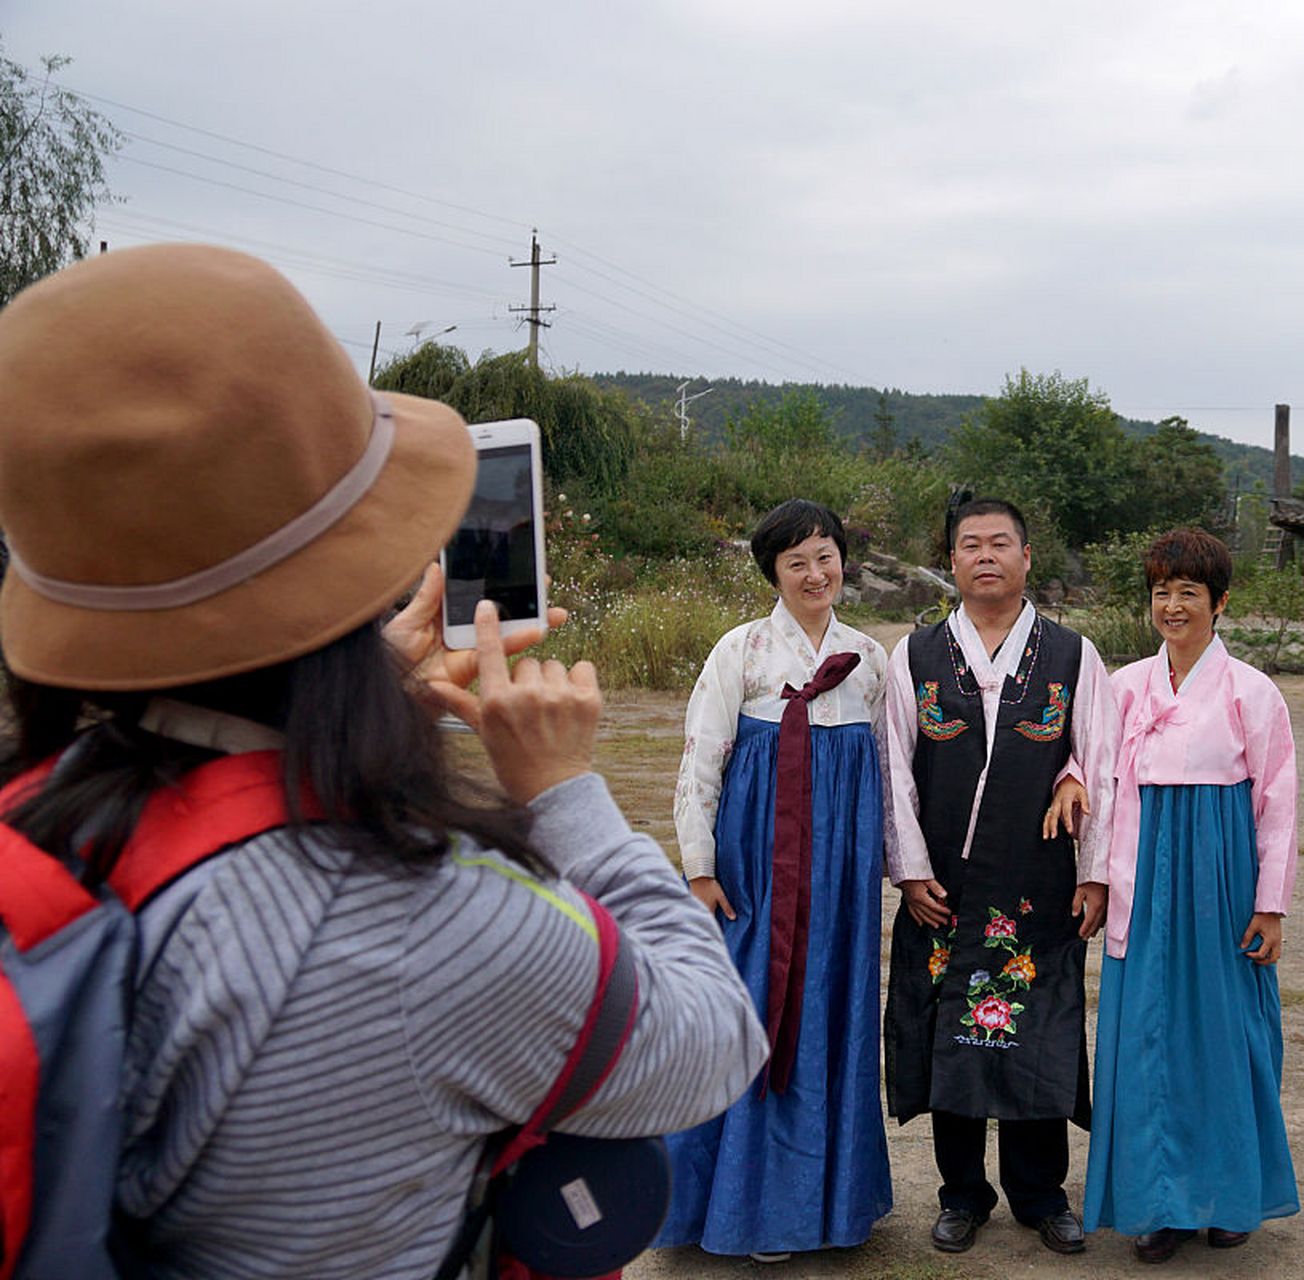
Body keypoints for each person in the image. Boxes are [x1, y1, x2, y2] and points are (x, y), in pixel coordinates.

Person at [0, 245, 766, 1279]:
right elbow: (712, 1040)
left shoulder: (43, 813)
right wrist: (567, 792)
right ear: (366, 558)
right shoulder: (418, 917)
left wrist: (357, 698)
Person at [881, 497, 1117, 1257]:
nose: (986, 555)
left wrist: (1097, 876)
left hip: (1038, 885)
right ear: (951, 562)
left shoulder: (1072, 655)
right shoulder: (913, 656)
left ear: (1025, 558)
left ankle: (1043, 1195)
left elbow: (1101, 764)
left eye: (1001, 543)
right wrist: (910, 872)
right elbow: (894, 773)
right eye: (970, 545)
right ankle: (961, 1195)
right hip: (945, 888)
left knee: (1038, 1036)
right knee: (950, 1035)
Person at [661, 498, 893, 1261]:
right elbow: (702, 762)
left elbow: (893, 777)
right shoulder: (742, 652)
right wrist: (700, 869)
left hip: (841, 878)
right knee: (750, 1012)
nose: (814, 573)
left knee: (831, 1008)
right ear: (773, 572)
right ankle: (743, 1206)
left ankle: (827, 1206)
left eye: (824, 556)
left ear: (841, 562)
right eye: (796, 561)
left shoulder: (868, 660)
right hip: (757, 872)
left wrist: (903, 867)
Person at [1083, 528, 1300, 1263]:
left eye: (1188, 593)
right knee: (1146, 1034)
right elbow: (1087, 764)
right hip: (1142, 877)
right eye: (1161, 592)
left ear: (1220, 602)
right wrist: (1068, 786)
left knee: (1224, 1031)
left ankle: (1230, 1194)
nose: (1172, 607)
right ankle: (1161, 1205)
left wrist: (1269, 905)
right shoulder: (1124, 686)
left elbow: (1278, 801)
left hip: (1219, 877)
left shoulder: (1251, 692)